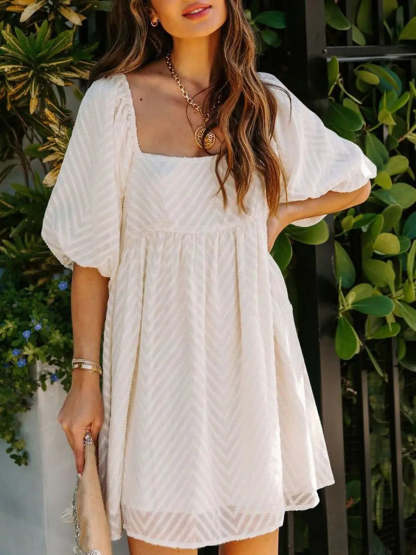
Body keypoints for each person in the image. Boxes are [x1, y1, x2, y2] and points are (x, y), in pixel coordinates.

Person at [40, 1, 377, 554]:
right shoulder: (114, 103)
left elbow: (356, 181)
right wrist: (85, 381)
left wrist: (281, 213)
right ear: (147, 10)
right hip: (156, 373)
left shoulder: (263, 100)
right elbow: (90, 259)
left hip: (249, 370)